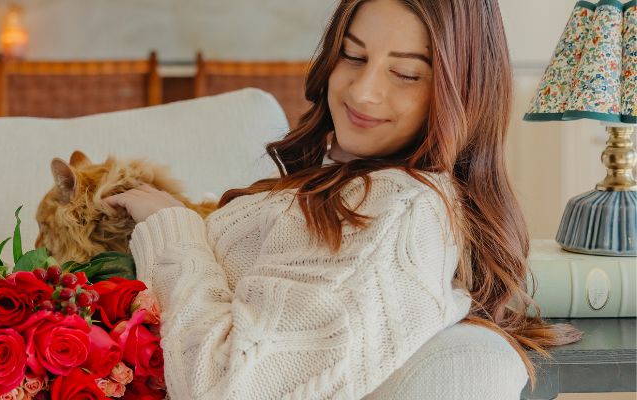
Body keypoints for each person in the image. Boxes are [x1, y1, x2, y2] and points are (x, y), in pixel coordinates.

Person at [102, 0, 581, 398]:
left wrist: (173, 227)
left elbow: (229, 387)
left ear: (463, 92)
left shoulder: (400, 208)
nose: (364, 92)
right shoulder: (359, 184)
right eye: (353, 56)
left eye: (405, 74)